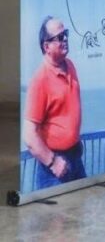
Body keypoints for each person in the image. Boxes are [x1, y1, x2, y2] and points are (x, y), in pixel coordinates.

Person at [23, 17, 86, 189]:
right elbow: (29, 135)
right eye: (59, 37)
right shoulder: (40, 81)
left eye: (65, 34)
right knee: (58, 208)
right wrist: (53, 162)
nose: (65, 39)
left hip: (76, 158)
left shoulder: (70, 66)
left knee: (81, 204)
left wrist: (73, 139)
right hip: (55, 170)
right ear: (46, 46)